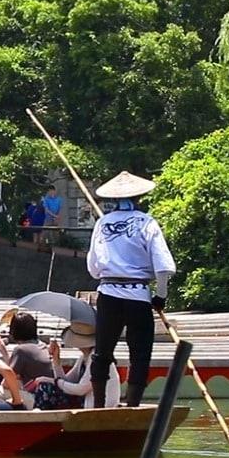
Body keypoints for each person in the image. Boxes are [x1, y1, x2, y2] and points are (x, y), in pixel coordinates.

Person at [87, 170, 177, 407]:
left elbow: (93, 269)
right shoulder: (147, 223)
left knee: (102, 352)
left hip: (108, 294)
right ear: (139, 199)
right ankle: (133, 405)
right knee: (140, 354)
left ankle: (98, 405)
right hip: (138, 295)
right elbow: (163, 266)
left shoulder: (102, 224)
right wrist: (160, 296)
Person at [36, 323, 119, 409]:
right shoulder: (83, 358)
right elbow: (66, 381)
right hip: (84, 401)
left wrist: (55, 382)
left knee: (45, 387)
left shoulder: (96, 358)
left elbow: (81, 389)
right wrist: (56, 359)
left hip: (94, 406)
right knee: (46, 385)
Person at [0, 311, 51, 385]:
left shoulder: (21, 350)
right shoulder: (43, 345)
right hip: (46, 391)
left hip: (33, 393)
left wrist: (3, 351)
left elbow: (6, 382)